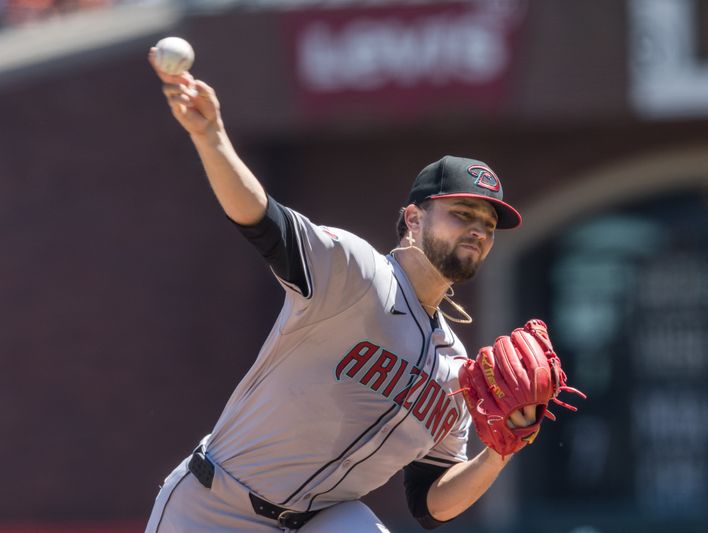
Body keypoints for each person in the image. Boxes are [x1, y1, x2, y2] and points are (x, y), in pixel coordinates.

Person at [145, 47, 534, 533]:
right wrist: (212, 138)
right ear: (413, 219)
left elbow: (430, 504)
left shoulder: (457, 369)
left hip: (318, 522)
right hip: (216, 507)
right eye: (462, 214)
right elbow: (262, 219)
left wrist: (499, 455)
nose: (478, 230)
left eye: (488, 224)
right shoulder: (355, 271)